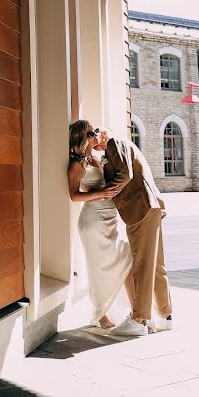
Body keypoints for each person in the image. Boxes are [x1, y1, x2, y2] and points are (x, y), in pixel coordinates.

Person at [96, 127, 173, 336]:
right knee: (155, 263)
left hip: (141, 208)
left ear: (104, 133)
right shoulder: (118, 147)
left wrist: (108, 193)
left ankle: (139, 320)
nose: (92, 138)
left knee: (142, 264)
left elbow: (125, 174)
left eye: (94, 132)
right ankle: (165, 316)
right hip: (151, 207)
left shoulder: (114, 142)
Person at [67, 120, 135, 329]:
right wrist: (101, 194)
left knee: (126, 260)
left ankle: (136, 312)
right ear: (82, 138)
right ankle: (100, 314)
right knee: (97, 269)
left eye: (95, 130)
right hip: (93, 222)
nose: (95, 133)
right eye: (90, 132)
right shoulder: (77, 165)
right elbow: (74, 196)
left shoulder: (98, 158)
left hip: (110, 220)